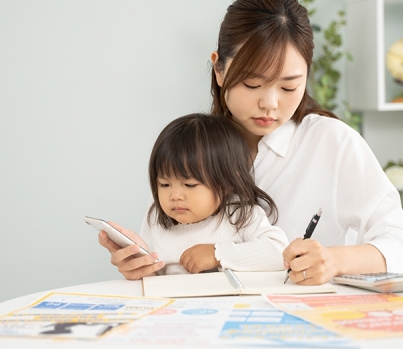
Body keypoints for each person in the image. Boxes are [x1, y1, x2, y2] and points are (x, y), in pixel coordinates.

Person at [99, 0, 403, 283]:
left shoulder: (332, 142)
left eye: (289, 86)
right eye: (252, 84)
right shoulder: (198, 144)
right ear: (219, 69)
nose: (269, 104)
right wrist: (142, 264)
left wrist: (335, 260)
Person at [104, 113, 289, 277]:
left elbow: (279, 253)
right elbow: (155, 276)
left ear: (227, 183)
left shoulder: (240, 215)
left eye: (189, 185)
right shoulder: (157, 216)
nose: (175, 195)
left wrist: (217, 254)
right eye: (165, 184)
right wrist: (140, 257)